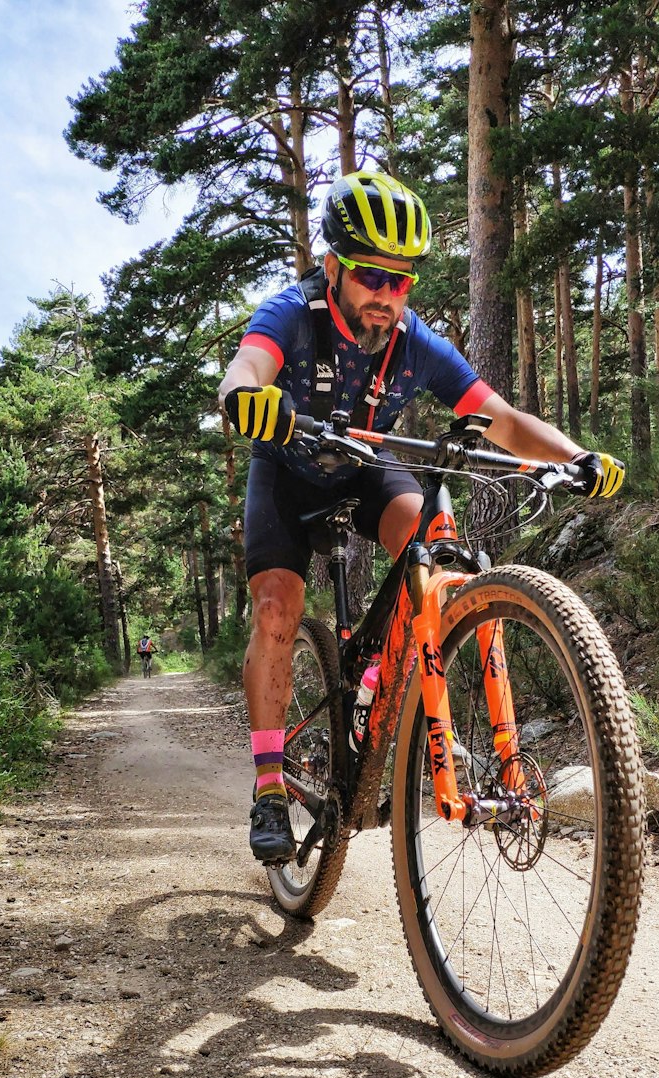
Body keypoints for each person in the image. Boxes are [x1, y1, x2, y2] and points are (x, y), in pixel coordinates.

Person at [219, 169, 625, 866]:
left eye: (400, 280)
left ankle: (384, 684)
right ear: (333, 268)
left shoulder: (414, 341)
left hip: (365, 462)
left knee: (436, 544)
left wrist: (577, 455)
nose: (386, 295)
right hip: (287, 467)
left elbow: (501, 418)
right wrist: (246, 397)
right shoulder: (294, 312)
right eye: (372, 275)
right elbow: (246, 365)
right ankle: (266, 785)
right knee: (278, 608)